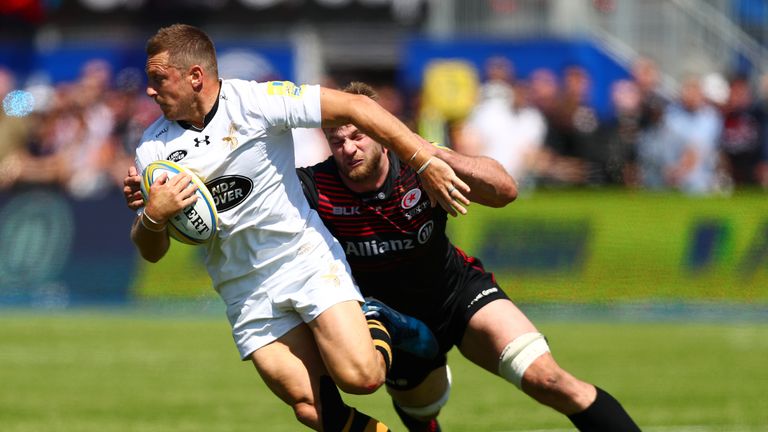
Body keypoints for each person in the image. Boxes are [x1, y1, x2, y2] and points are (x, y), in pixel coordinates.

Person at [122, 24, 470, 431]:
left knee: (363, 379)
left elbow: (359, 108)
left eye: (158, 79)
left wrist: (424, 160)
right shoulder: (153, 149)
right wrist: (153, 216)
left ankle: (384, 320)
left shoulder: (256, 101)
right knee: (312, 409)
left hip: (303, 261)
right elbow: (152, 250)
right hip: (243, 289)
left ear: (195, 76)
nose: (149, 90)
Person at [297, 82, 641, 432]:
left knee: (550, 380)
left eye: (358, 136)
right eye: (337, 141)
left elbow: (505, 190)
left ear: (382, 131)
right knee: (422, 413)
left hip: (458, 296)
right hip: (394, 325)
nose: (349, 149)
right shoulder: (314, 187)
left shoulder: (420, 165)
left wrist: (436, 157)